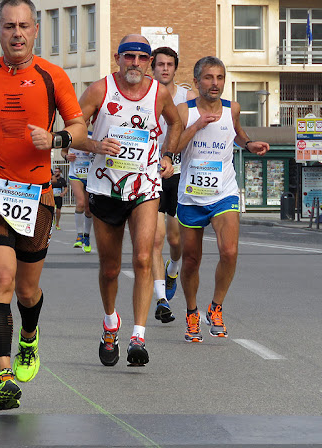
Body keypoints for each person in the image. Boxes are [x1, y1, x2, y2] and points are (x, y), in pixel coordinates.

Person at [0, 0, 87, 410]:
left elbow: (78, 126)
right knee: (1, 279)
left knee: (27, 291)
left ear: (36, 30)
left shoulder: (52, 76)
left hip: (36, 194)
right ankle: (4, 375)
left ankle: (29, 336)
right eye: (9, 26)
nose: (17, 33)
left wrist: (57, 139)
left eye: (24, 26)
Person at [78, 34, 183, 367]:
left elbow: (175, 122)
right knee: (110, 269)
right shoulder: (99, 89)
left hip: (145, 186)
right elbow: (74, 126)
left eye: (141, 57)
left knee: (142, 257)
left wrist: (167, 155)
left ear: (149, 61)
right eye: (129, 56)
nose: (135, 63)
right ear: (117, 58)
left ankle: (139, 336)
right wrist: (96, 145)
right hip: (105, 187)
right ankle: (111, 324)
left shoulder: (159, 93)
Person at [176, 56, 269, 342]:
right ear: (196, 81)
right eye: (208, 77)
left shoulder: (233, 108)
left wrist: (250, 144)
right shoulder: (184, 111)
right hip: (191, 195)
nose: (214, 83)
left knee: (229, 252)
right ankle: (192, 313)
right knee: (191, 259)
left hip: (224, 191)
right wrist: (197, 126)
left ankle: (215, 308)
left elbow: (237, 135)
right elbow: (174, 145)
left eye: (219, 78)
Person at [150, 47, 196, 324]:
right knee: (154, 240)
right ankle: (161, 300)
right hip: (150, 175)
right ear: (152, 68)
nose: (164, 69)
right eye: (160, 65)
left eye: (169, 65)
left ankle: (173, 269)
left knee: (175, 240)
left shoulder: (187, 97)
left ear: (175, 69)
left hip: (178, 174)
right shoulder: (143, 94)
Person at [62, 135, 94, 252]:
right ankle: (79, 235)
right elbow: (63, 151)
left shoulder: (92, 137)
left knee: (88, 209)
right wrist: (66, 156)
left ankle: (87, 236)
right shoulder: (72, 137)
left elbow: (101, 152)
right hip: (75, 174)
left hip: (90, 175)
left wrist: (91, 150)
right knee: (80, 203)